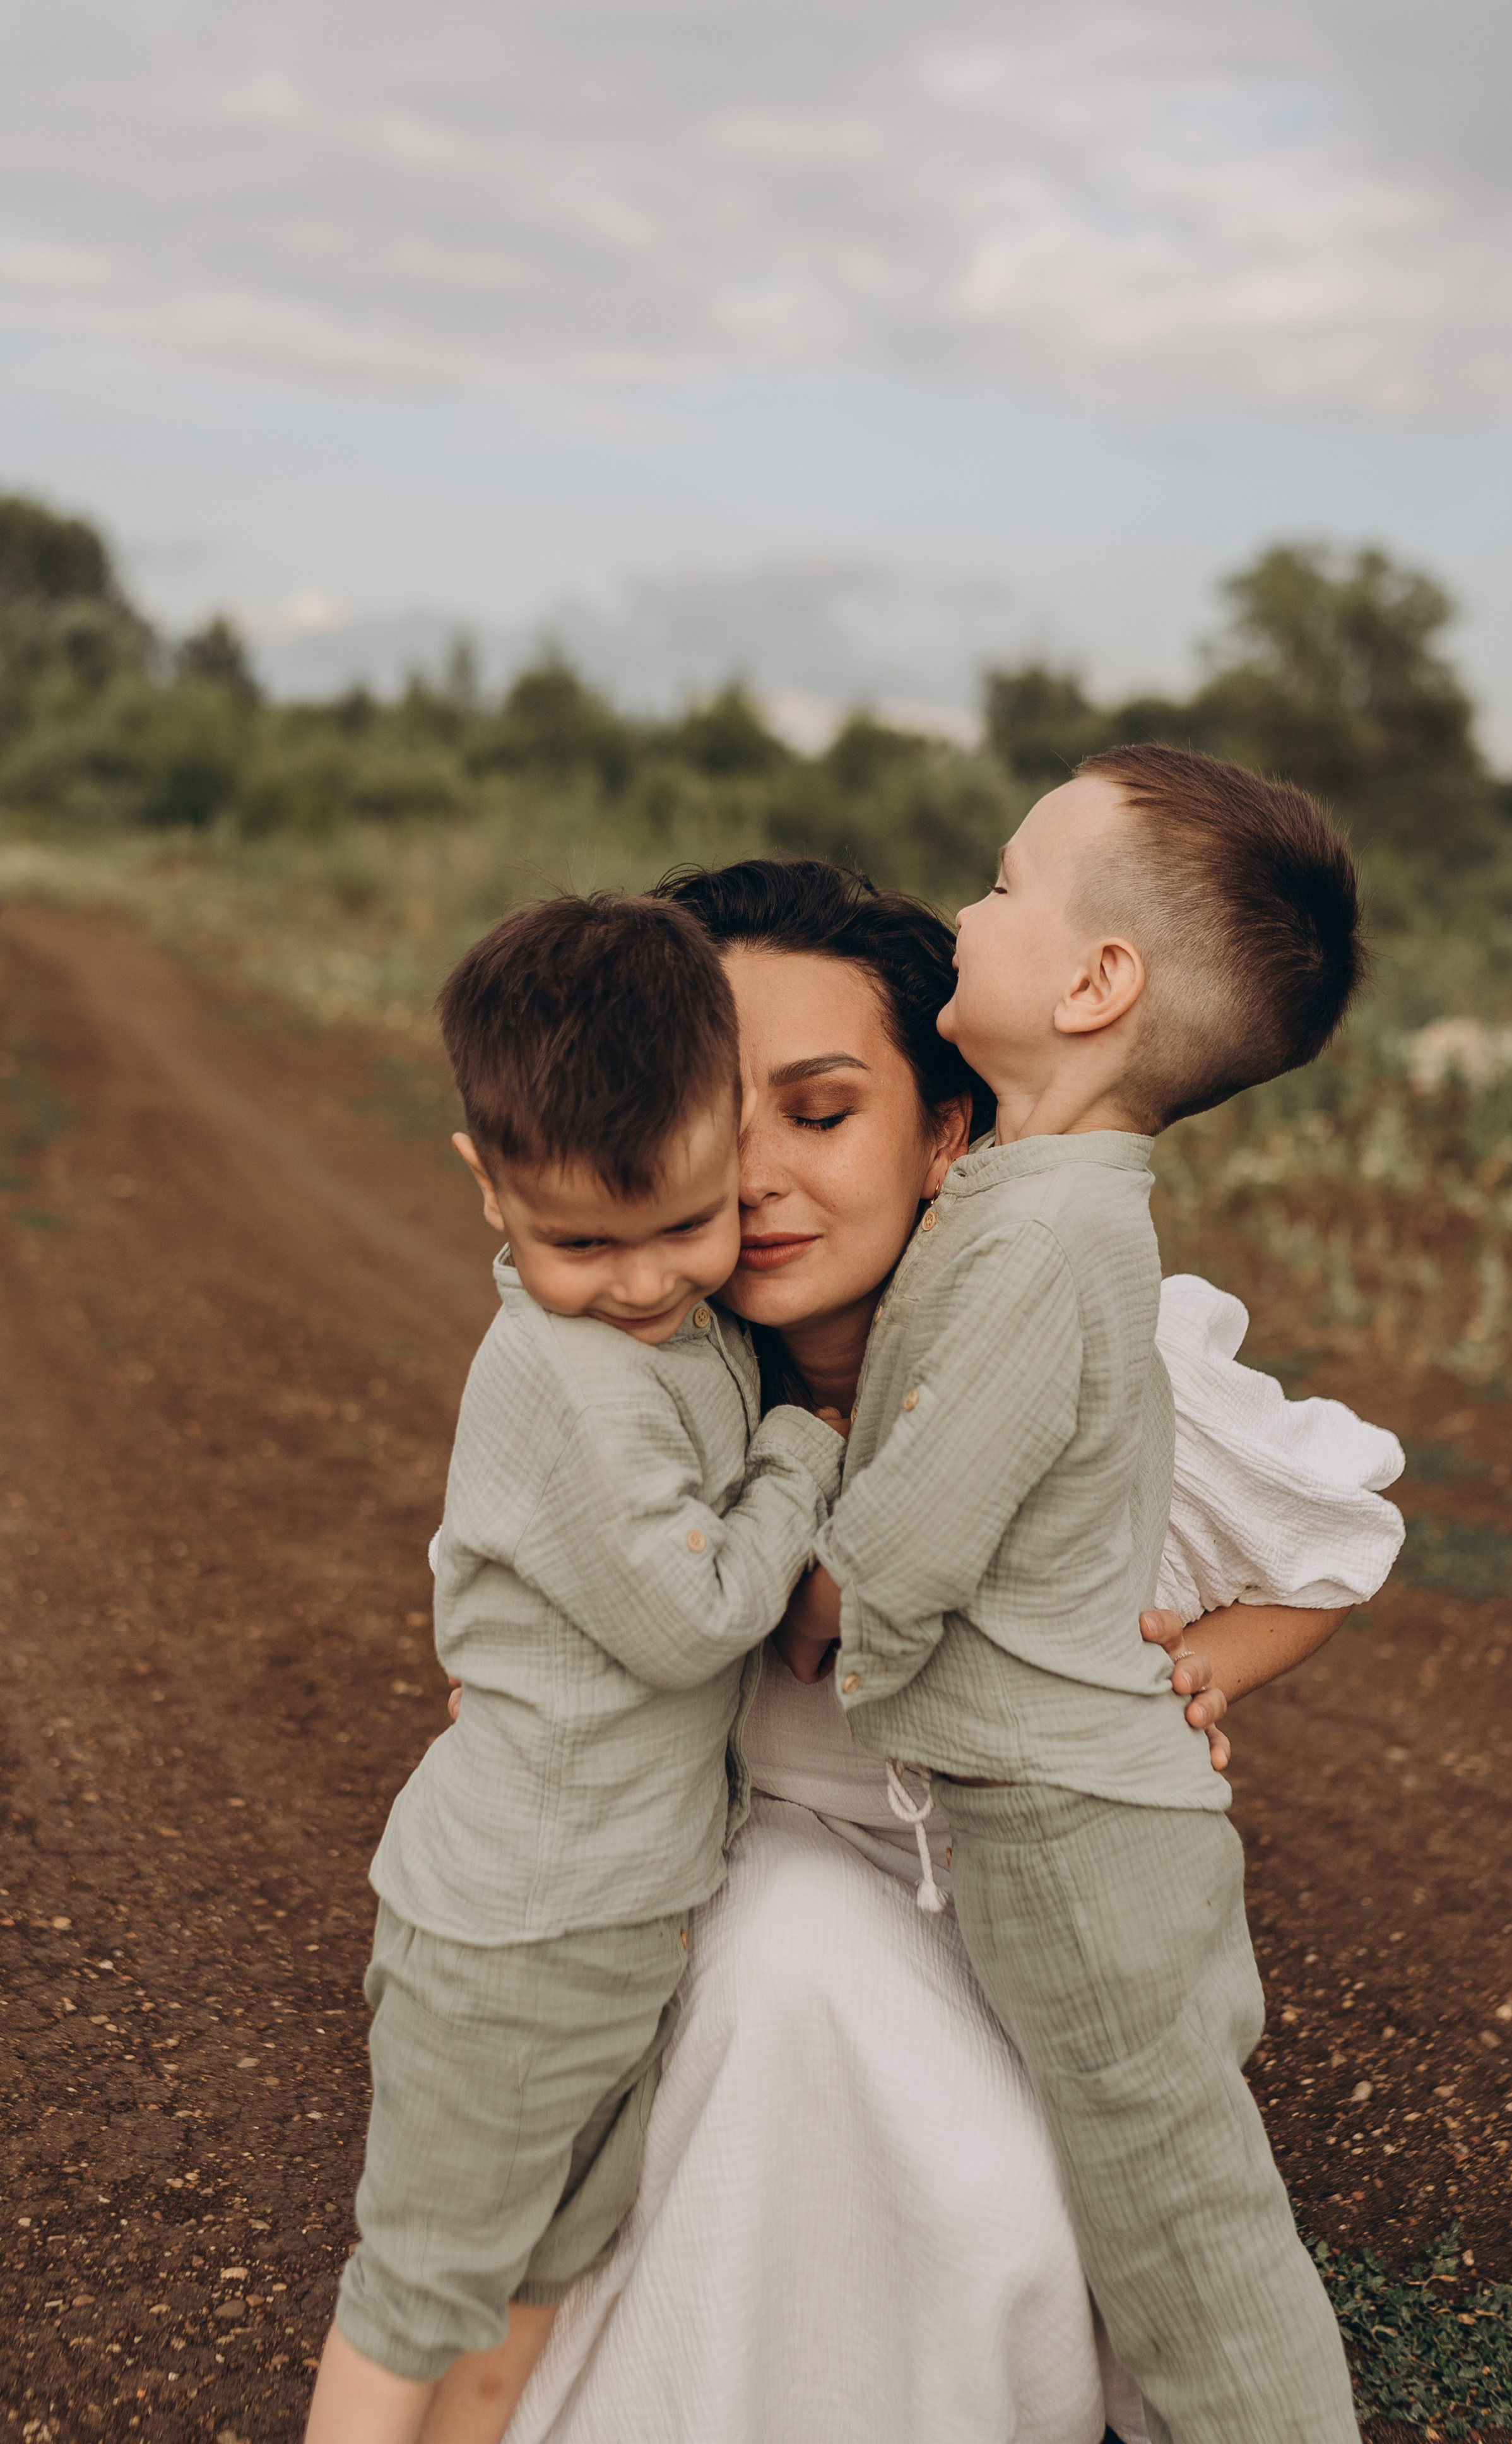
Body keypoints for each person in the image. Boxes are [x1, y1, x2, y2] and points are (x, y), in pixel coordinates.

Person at [505, 850, 1403, 2444]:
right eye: (714, 1113)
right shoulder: (645, 1386)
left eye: (822, 1109)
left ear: (944, 1136)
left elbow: (1335, 1539)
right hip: (755, 1891)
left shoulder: (1054, 1346)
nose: (758, 1172)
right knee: (790, 1974)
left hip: (1028, 1907)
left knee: (1054, 2212)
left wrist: (1201, 1662)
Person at [783, 745, 1367, 2442]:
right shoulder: (1025, 1200)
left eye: (1004, 878)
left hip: (1079, 1825)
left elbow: (928, 1509)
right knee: (1127, 2184)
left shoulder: (1048, 1241)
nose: (968, 905)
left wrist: (817, 1608)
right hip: (1064, 1804)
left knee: (1183, 2221)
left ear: (1099, 981)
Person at [304, 896, 844, 2444]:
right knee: (419, 2289)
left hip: (611, 1917)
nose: (639, 1282)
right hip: (511, 1938)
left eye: (683, 1225)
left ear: (727, 1136)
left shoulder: (677, 1330)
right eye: (578, 1244)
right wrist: (805, 1452)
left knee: (542, 2271)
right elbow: (695, 1616)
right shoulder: (575, 1381)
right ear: (486, 1182)